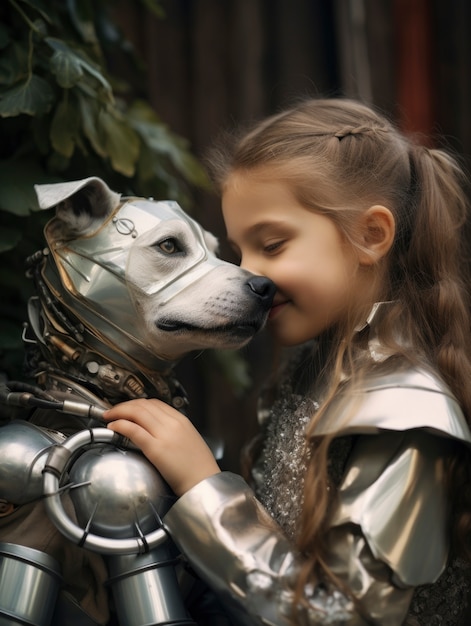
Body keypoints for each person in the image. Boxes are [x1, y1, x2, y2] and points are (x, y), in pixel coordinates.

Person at [104, 97, 471, 625]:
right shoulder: (314, 370)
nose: (247, 274)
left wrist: (206, 491)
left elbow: (341, 615)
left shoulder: (404, 410)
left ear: (371, 236)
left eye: (272, 245)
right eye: (239, 251)